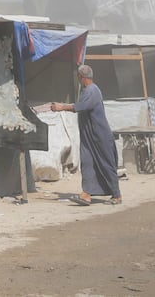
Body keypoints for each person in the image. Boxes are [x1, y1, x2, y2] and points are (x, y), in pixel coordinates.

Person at [49, 64, 122, 206]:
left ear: (81, 77)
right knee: (87, 163)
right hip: (88, 136)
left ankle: (117, 195)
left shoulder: (92, 91)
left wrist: (61, 107)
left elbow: (81, 106)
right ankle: (86, 194)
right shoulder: (87, 91)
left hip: (100, 136)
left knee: (106, 164)